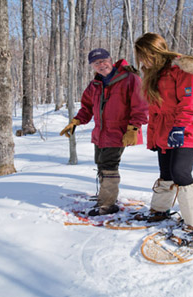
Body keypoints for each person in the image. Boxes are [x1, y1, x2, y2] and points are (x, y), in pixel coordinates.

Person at [60, 48, 148, 216]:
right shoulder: (95, 84)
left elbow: (141, 106)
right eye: (96, 63)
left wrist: (134, 128)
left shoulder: (130, 79)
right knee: (101, 164)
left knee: (109, 167)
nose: (101, 65)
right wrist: (76, 121)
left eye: (103, 61)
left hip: (119, 133)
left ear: (110, 59)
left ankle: (107, 205)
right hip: (100, 133)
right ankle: (105, 196)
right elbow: (87, 107)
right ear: (92, 66)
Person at [134, 33, 193, 231]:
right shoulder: (153, 73)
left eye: (145, 54)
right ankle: (160, 210)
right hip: (165, 131)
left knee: (180, 172)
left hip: (189, 128)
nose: (143, 60)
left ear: (156, 51)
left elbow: (191, 101)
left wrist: (179, 127)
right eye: (140, 56)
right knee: (166, 173)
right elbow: (156, 111)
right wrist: (154, 138)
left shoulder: (183, 68)